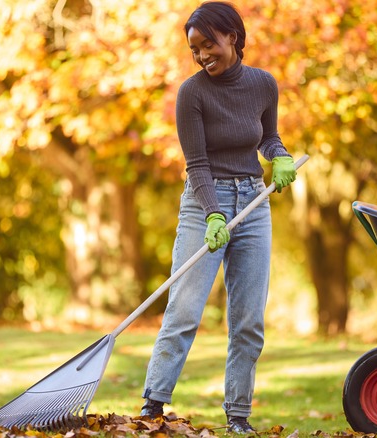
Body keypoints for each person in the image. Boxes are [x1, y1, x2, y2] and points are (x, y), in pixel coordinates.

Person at [139, 1, 298, 434]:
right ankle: (152, 407)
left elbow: (268, 138)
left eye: (208, 44)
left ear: (233, 36)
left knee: (249, 319)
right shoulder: (192, 93)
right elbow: (197, 164)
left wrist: (279, 157)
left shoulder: (264, 85)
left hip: (253, 202)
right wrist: (212, 215)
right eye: (195, 49)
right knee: (185, 309)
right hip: (203, 204)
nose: (202, 55)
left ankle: (238, 417)